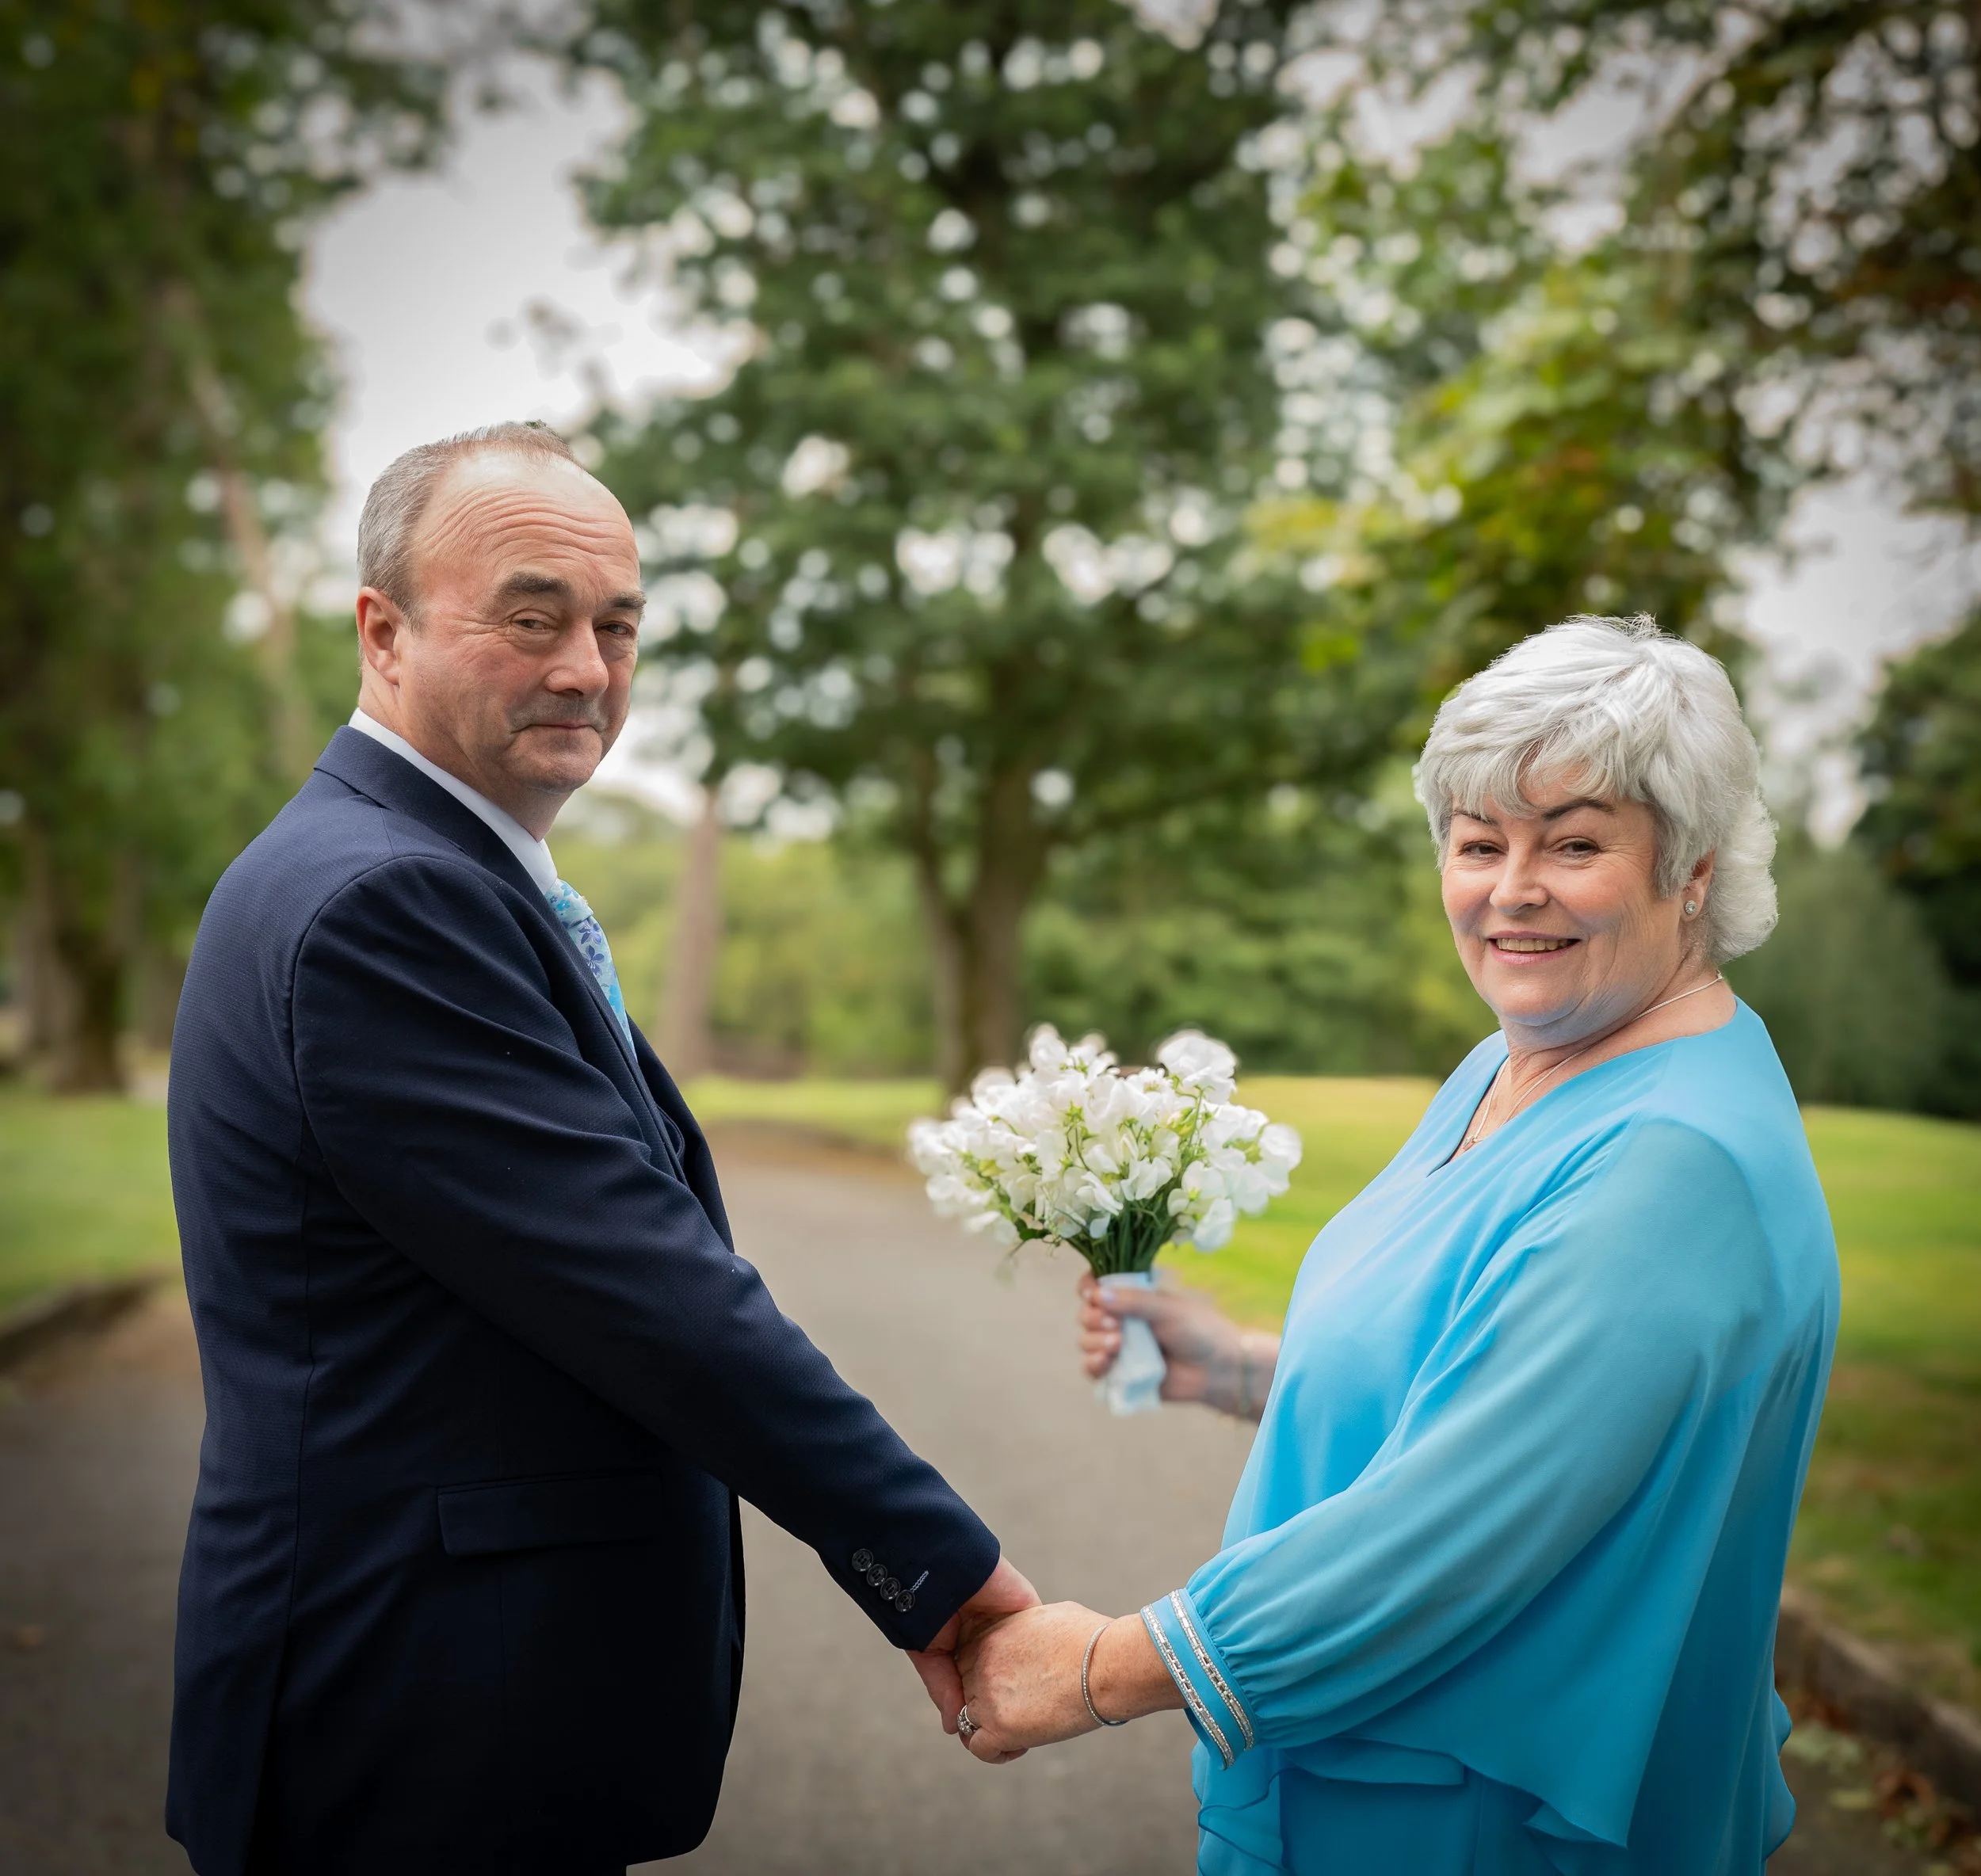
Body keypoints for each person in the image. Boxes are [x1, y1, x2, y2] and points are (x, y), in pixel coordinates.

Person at [165, 422, 1033, 1876]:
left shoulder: (414, 869)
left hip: (447, 1708)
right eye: (530, 618)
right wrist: (945, 1579)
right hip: (411, 1726)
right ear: (382, 632)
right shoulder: (386, 905)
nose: (586, 668)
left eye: (617, 625)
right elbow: (650, 1289)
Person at [950, 616, 1840, 1876]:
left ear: (1690, 868)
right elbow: (1514, 1400)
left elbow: (1453, 1538)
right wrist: (1243, 1367)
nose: (1512, 889)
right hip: (1384, 1776)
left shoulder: (1673, 1160)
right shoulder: (1518, 1061)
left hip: (1479, 1813)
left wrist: (1099, 1669)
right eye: (1480, 843)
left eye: (1576, 844)